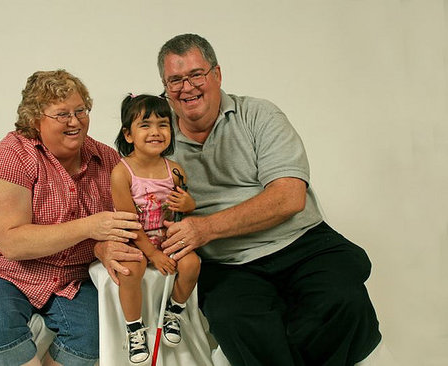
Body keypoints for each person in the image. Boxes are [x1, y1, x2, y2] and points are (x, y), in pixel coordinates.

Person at [157, 34, 382, 366]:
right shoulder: (157, 138)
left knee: (345, 300)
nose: (186, 87)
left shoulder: (258, 115)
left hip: (299, 242)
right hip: (228, 264)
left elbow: (289, 197)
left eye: (195, 74)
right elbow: (129, 188)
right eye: (174, 80)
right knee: (234, 319)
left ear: (217, 74)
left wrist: (205, 228)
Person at [0, 70, 144, 366]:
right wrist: (90, 227)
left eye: (81, 110)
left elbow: (128, 219)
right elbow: (12, 243)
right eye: (62, 114)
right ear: (35, 119)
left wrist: (101, 246)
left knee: (95, 335)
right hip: (3, 271)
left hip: (70, 276)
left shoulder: (106, 159)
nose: (75, 121)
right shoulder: (11, 156)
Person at [111, 94, 200, 365]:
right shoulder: (122, 173)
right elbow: (128, 221)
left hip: (167, 237)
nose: (155, 132)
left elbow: (183, 211)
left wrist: (189, 203)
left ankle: (175, 311)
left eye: (163, 124)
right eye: (145, 125)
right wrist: (152, 255)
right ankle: (135, 328)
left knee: (192, 263)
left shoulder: (175, 171)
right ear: (128, 134)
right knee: (131, 271)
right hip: (135, 239)